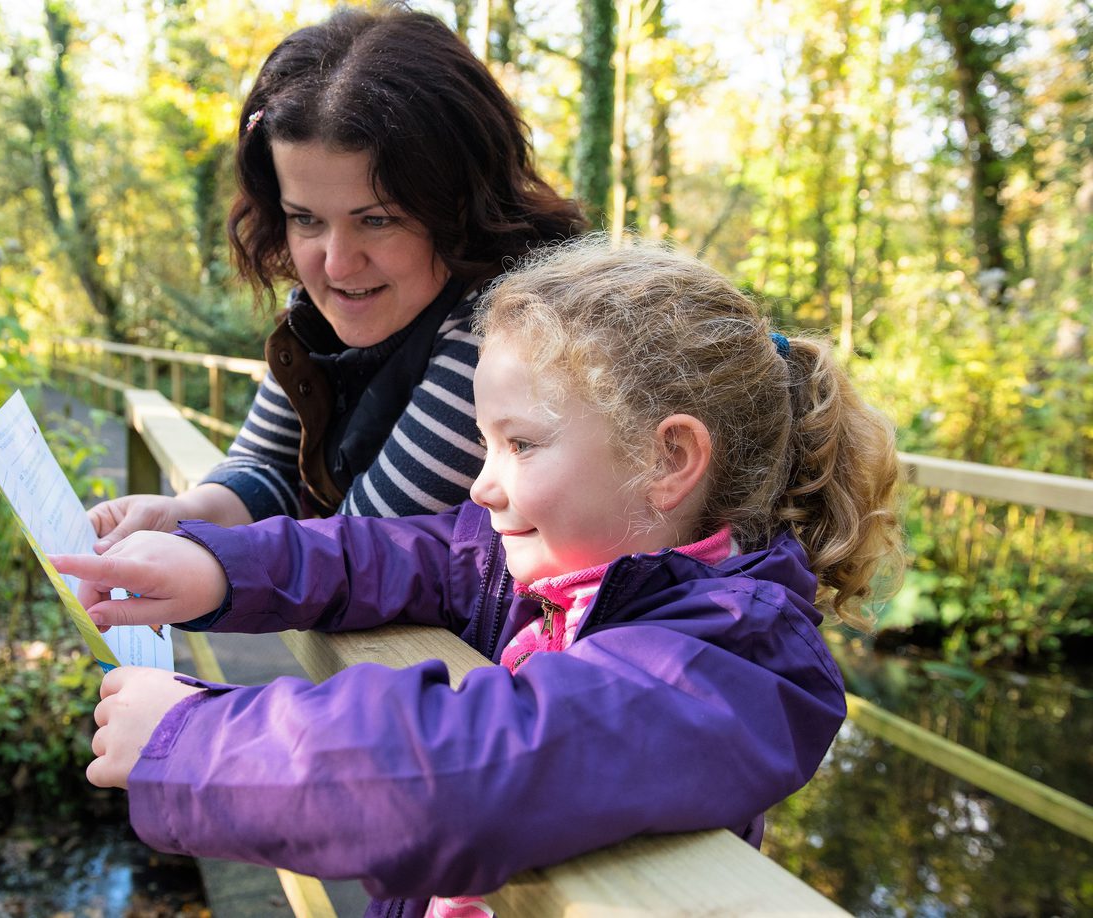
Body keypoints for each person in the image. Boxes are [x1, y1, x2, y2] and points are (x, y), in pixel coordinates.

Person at [52, 237, 904, 916]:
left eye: (521, 444)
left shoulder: (736, 657)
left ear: (668, 458)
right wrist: (213, 564)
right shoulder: (550, 565)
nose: (481, 483)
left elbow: (479, 761)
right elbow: (391, 553)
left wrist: (190, 744)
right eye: (484, 442)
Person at [86, 6, 583, 550]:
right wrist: (186, 514)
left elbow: (358, 544)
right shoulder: (322, 311)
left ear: (461, 206)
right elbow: (264, 463)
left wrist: (207, 561)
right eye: (306, 219)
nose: (337, 264)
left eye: (377, 220)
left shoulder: (512, 328)